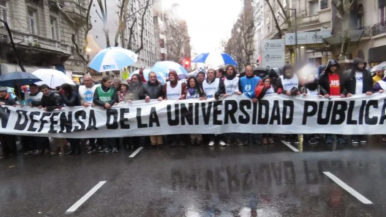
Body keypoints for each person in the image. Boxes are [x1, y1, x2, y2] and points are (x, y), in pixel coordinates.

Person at [342, 58, 373, 146]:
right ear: (356, 65)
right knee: (354, 118)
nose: (362, 66)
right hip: (353, 100)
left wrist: (371, 91)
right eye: (360, 64)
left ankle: (362, 135)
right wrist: (346, 92)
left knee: (363, 117)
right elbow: (343, 86)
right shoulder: (348, 73)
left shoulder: (367, 73)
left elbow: (371, 84)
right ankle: (354, 136)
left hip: (363, 99)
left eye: (363, 64)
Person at [93, 76, 119, 153]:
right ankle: (107, 146)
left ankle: (114, 146)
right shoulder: (98, 89)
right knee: (104, 129)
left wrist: (109, 104)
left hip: (111, 111)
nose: (111, 84)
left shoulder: (113, 89)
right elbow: (95, 99)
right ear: (104, 82)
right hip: (102, 112)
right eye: (109, 82)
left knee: (112, 128)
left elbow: (115, 99)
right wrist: (103, 104)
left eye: (111, 82)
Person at [276, 64, 300, 144]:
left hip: (295, 102)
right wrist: (284, 91)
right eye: (287, 70)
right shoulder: (280, 79)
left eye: (290, 69)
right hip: (285, 102)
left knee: (295, 119)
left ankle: (294, 136)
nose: (288, 71)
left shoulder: (297, 77)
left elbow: (300, 87)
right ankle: (287, 136)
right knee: (287, 119)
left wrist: (296, 91)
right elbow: (277, 88)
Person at [38, 84, 65, 155]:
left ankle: (62, 148)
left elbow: (58, 105)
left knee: (59, 133)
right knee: (53, 133)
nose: (45, 92)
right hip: (51, 117)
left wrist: (48, 108)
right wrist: (37, 104)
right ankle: (57, 147)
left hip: (58, 116)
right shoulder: (44, 96)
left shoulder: (56, 95)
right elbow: (43, 104)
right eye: (43, 91)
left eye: (46, 90)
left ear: (48, 89)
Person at [203, 69, 226, 147]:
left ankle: (221, 139)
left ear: (215, 74)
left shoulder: (219, 81)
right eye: (209, 72)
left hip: (218, 104)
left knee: (219, 122)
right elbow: (202, 93)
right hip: (208, 105)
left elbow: (222, 90)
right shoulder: (203, 82)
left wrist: (217, 94)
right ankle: (211, 139)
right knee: (210, 122)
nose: (210, 74)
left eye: (212, 73)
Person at [163, 70, 187, 147]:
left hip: (180, 107)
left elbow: (185, 93)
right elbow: (163, 94)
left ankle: (181, 139)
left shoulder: (181, 84)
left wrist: (183, 96)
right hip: (170, 108)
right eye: (170, 75)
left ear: (176, 76)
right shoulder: (166, 85)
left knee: (180, 124)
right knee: (172, 124)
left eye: (172, 75)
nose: (171, 77)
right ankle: (173, 139)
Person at [239, 65, 261, 145]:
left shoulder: (258, 79)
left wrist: (257, 98)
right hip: (245, 104)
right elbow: (240, 90)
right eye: (247, 70)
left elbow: (261, 90)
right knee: (245, 121)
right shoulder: (241, 80)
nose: (249, 72)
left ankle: (257, 138)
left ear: (252, 71)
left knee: (255, 121)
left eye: (250, 70)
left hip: (255, 103)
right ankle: (246, 139)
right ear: (245, 71)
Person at [222, 65, 243, 146]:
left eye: (231, 69)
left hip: (236, 102)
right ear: (226, 71)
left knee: (236, 120)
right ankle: (229, 138)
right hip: (227, 102)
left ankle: (237, 137)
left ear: (233, 71)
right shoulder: (223, 79)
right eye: (228, 69)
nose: (230, 71)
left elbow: (241, 89)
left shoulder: (238, 79)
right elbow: (221, 90)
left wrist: (240, 92)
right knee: (228, 120)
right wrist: (222, 94)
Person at [78, 75, 99, 154]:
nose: (86, 82)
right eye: (85, 81)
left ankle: (99, 144)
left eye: (88, 80)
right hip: (86, 111)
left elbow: (99, 97)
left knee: (97, 127)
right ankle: (92, 144)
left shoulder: (97, 87)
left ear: (91, 80)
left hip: (96, 110)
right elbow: (79, 98)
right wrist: (83, 103)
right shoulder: (80, 88)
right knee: (89, 127)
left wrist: (96, 102)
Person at [144, 72, 164, 148]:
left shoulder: (160, 85)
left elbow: (163, 94)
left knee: (158, 123)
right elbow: (141, 94)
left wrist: (161, 97)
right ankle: (153, 142)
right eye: (151, 76)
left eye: (154, 76)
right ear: (148, 77)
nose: (153, 78)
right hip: (148, 108)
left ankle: (160, 142)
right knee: (151, 124)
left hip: (158, 107)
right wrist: (145, 96)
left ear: (156, 77)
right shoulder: (145, 85)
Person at [60, 83, 81, 155]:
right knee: (69, 133)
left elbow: (70, 103)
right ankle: (72, 149)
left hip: (75, 115)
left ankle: (77, 149)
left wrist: (62, 95)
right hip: (68, 116)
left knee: (75, 133)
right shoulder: (66, 94)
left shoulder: (74, 94)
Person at [255, 77, 275, 145]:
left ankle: (270, 136)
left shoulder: (272, 88)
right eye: (266, 81)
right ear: (264, 82)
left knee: (270, 122)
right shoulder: (261, 88)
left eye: (269, 81)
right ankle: (264, 137)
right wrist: (265, 88)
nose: (267, 82)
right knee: (264, 122)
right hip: (263, 107)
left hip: (271, 107)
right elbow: (259, 95)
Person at [186, 76, 206, 145]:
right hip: (189, 110)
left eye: (193, 81)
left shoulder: (199, 89)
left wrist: (202, 97)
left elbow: (204, 96)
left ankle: (199, 138)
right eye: (190, 81)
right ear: (188, 82)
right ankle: (192, 138)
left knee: (198, 124)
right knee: (191, 124)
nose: (192, 83)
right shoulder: (186, 90)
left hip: (198, 110)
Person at [0, 86, 17, 157]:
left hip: (9, 120)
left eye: (2, 92)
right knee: (3, 137)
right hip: (2, 120)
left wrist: (6, 105)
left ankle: (13, 151)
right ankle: (5, 151)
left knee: (10, 137)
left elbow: (14, 107)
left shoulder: (10, 99)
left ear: (5, 92)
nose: (0, 93)